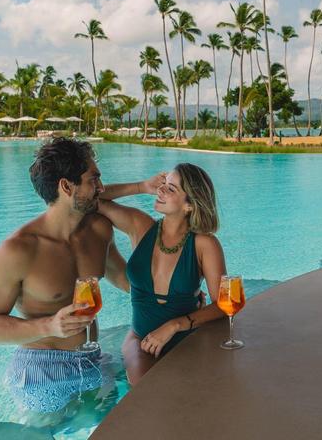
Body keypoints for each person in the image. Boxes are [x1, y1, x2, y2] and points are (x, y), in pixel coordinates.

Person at [0, 137, 163, 413]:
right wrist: (49, 326)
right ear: (65, 186)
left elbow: (125, 280)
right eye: (94, 179)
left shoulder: (98, 230)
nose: (101, 187)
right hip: (41, 370)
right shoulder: (19, 250)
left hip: (92, 358)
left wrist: (173, 298)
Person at [97, 163, 228, 384]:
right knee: (143, 398)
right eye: (163, 184)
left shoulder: (205, 245)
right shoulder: (141, 227)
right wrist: (142, 186)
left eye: (171, 189)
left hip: (188, 338)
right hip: (141, 340)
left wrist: (175, 325)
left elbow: (223, 304)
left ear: (189, 206)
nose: (161, 190)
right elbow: (93, 199)